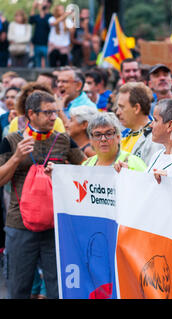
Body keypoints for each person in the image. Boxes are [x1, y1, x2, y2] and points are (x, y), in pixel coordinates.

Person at [0, 91, 86, 299]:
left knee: (58, 289)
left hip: (56, 226)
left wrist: (63, 170)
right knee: (19, 288)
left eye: (55, 112)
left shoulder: (64, 140)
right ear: (31, 114)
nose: (54, 117)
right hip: (19, 225)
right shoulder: (11, 140)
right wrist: (16, 158)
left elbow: (86, 170)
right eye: (48, 113)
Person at [116, 82, 163, 166]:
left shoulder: (155, 140)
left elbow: (150, 176)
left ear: (137, 108)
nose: (117, 112)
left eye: (122, 107)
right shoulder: (124, 135)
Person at [82, 112, 147, 171]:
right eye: (98, 135)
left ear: (118, 137)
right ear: (91, 140)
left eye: (108, 134)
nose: (103, 139)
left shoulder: (133, 163)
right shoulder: (86, 165)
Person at [29, 0, 52, 68]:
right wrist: (33, 7)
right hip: (37, 44)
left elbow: (46, 22)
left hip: (46, 44)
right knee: (37, 64)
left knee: (47, 64)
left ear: (49, 4)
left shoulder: (51, 17)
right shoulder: (37, 16)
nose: (42, 3)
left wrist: (41, 10)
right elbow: (31, 21)